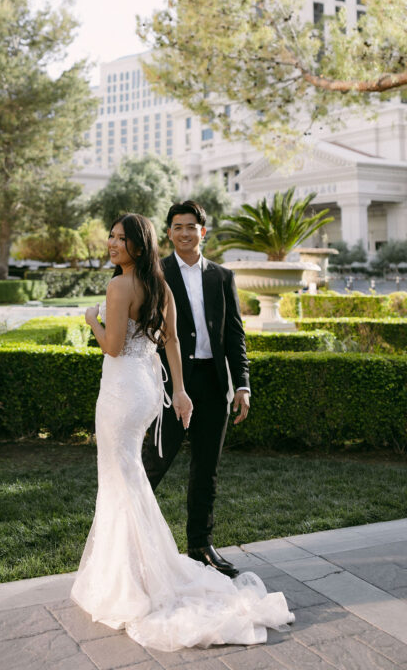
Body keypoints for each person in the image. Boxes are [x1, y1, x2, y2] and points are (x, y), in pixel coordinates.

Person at [71, 212, 293, 651]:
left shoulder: (118, 286)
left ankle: (134, 574)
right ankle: (140, 566)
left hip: (120, 394)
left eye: (119, 239)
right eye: (111, 237)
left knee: (122, 479)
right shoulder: (161, 284)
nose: (111, 244)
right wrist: (182, 392)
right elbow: (171, 341)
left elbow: (112, 346)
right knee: (129, 477)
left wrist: (90, 320)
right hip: (147, 390)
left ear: (137, 245)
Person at [143, 199, 250, 580]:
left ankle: (200, 547)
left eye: (192, 226)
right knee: (152, 465)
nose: (185, 233)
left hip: (213, 385)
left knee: (207, 470)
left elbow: (235, 335)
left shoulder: (222, 277)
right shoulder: (155, 274)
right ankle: (131, 547)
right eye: (177, 226)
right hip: (171, 387)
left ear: (203, 231)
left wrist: (242, 384)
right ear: (168, 232)